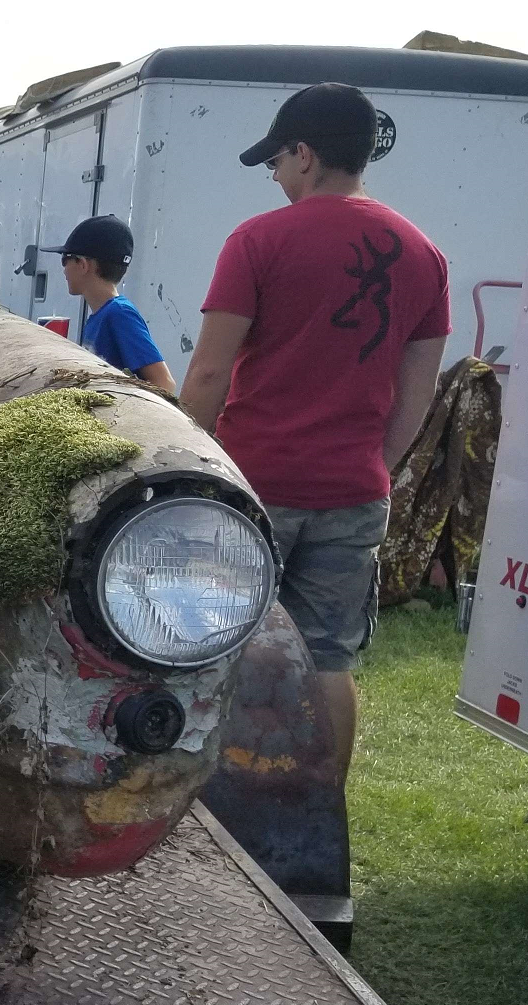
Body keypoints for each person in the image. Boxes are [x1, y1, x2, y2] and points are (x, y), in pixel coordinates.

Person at [180, 82, 449, 767]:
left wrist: (186, 462)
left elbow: (209, 374)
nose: (273, 176)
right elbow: (416, 394)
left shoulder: (258, 240)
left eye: (275, 161)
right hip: (354, 490)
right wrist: (374, 468)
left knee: (214, 646)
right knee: (327, 659)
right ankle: (320, 809)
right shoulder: (424, 252)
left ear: (304, 153)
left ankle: (212, 805)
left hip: (252, 482)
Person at [45, 214, 174, 393]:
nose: (63, 269)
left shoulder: (119, 313)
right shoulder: (101, 315)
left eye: (65, 259)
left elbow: (164, 382)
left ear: (82, 264)